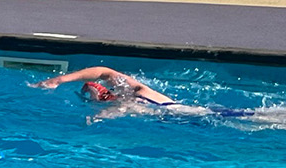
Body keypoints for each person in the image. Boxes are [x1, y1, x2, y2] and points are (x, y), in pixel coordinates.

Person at [34, 65, 286, 126]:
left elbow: (104, 71)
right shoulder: (127, 102)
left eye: (100, 95)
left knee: (263, 119)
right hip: (192, 122)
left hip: (200, 116)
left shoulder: (134, 92)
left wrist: (59, 79)